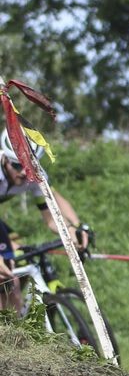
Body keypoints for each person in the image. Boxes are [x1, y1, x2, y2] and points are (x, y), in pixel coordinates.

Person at [1, 122, 93, 313]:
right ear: (5, 159)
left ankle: (14, 315)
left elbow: (52, 218)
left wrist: (73, 228)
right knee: (7, 265)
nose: (22, 173)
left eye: (28, 166)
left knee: (21, 259)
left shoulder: (33, 175)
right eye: (17, 165)